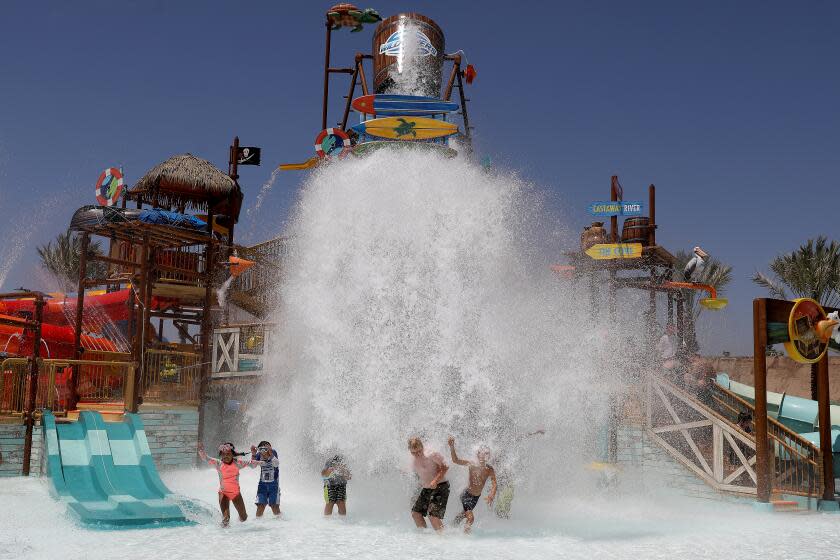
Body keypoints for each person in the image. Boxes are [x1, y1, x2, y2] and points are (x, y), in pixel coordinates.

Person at [198, 442, 257, 526]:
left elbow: (253, 465)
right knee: (226, 519)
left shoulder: (238, 463)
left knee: (244, 518)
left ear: (233, 454)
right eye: (223, 454)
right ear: (221, 455)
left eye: (228, 454)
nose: (226, 456)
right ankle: (222, 536)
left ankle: (239, 528)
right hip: (223, 493)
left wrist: (254, 454)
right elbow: (205, 458)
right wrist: (201, 449)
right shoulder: (218, 463)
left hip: (235, 493)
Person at [448, 437, 497, 533]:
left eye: (486, 453)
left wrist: (492, 494)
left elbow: (494, 483)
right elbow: (455, 460)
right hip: (466, 495)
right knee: (471, 518)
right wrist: (452, 446)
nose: (483, 456)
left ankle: (452, 526)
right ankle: (465, 537)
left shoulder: (489, 469)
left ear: (489, 456)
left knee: (463, 514)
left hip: (475, 498)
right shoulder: (472, 464)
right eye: (480, 453)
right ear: (477, 455)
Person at [408, 436, 449, 532]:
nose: (417, 454)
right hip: (426, 489)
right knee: (416, 514)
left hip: (440, 486)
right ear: (410, 451)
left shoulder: (431, 454)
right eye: (413, 452)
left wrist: (435, 480)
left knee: (433, 516)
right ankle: (424, 539)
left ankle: (444, 539)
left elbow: (445, 466)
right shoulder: (413, 460)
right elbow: (420, 477)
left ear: (422, 447)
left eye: (419, 451)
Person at [250, 441, 281, 517]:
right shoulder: (259, 455)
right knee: (260, 506)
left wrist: (271, 454)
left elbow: (276, 464)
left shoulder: (273, 452)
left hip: (274, 485)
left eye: (266, 448)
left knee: (274, 506)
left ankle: (281, 524)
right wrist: (253, 454)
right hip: (262, 484)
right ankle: (257, 525)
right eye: (262, 449)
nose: (264, 451)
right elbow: (252, 466)